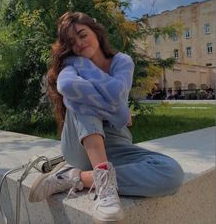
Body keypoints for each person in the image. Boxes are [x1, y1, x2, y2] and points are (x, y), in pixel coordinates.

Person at [28, 12, 184, 223]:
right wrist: (119, 112)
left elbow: (118, 93)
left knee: (172, 173)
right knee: (79, 98)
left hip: (116, 143)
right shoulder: (71, 66)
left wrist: (113, 102)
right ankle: (105, 189)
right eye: (72, 42)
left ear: (96, 32)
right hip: (80, 144)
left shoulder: (121, 61)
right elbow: (67, 86)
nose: (80, 44)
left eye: (83, 34)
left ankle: (74, 178)